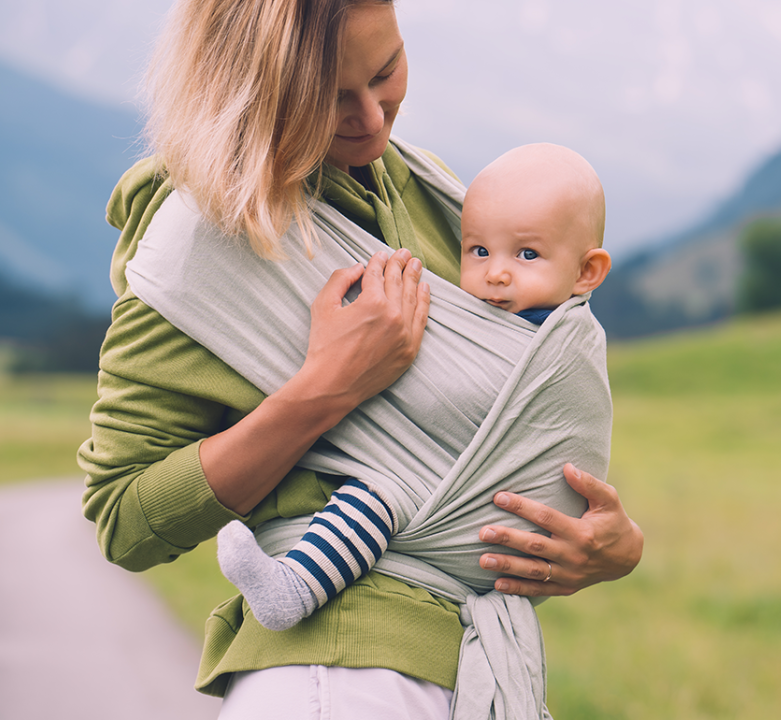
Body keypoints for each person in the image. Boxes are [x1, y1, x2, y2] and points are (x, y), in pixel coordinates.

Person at [79, 0, 643, 717]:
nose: (372, 118)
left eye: (386, 72)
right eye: (326, 99)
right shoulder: (199, 244)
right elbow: (124, 518)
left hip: (474, 670)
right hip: (333, 675)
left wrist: (611, 546)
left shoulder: (433, 193)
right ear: (249, 90)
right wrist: (326, 388)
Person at [216, 141, 615, 633]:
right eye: (479, 251)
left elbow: (568, 418)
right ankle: (295, 585)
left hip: (514, 531)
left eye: (527, 254)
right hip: (486, 536)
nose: (496, 272)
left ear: (586, 272)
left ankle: (293, 588)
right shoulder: (484, 318)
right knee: (383, 488)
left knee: (384, 492)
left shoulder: (563, 342)